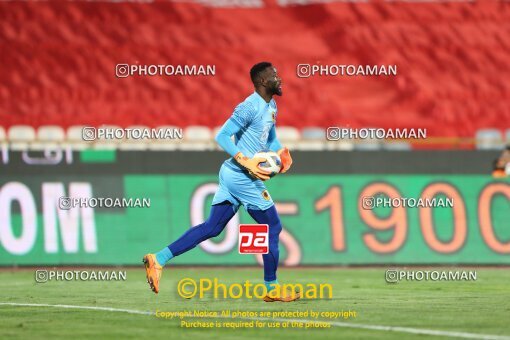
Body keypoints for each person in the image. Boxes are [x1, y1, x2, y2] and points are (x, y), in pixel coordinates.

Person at [143, 62, 298, 302]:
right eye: (274, 75)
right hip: (242, 176)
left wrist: (281, 151)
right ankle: (272, 288)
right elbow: (222, 136)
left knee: (212, 227)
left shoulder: (272, 106)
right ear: (262, 82)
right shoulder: (248, 107)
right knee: (273, 227)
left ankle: (159, 258)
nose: (280, 78)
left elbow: (271, 137)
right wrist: (244, 160)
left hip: (231, 174)